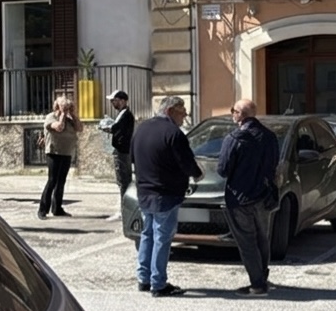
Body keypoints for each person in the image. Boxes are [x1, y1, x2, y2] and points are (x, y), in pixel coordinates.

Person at [131, 96, 201, 297]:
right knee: (162, 238)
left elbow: (133, 157)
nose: (184, 117)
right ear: (170, 111)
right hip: (166, 193)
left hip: (145, 192)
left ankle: (144, 278)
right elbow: (187, 163)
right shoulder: (173, 133)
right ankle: (158, 283)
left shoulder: (141, 129)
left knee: (148, 234)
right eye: (182, 113)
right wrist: (198, 174)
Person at [217, 98, 280, 297]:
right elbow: (275, 163)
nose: (232, 114)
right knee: (262, 238)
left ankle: (257, 284)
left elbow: (223, 169)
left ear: (239, 115)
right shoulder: (269, 136)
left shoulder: (234, 139)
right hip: (264, 195)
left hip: (240, 198)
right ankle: (262, 275)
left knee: (247, 242)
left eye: (233, 111)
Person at [39, 96, 81, 219]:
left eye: (68, 107)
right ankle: (43, 209)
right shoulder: (51, 117)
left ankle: (57, 208)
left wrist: (73, 115)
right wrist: (62, 114)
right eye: (64, 106)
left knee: (61, 181)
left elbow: (79, 128)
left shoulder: (70, 119)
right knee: (52, 180)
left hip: (66, 152)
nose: (67, 109)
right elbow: (59, 127)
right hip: (54, 152)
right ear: (57, 106)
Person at [98, 90, 136, 196]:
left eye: (114, 100)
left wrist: (104, 127)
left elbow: (115, 128)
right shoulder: (122, 114)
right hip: (122, 150)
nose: (112, 103)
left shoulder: (126, 115)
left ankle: (124, 204)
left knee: (123, 180)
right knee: (123, 180)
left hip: (122, 151)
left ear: (123, 101)